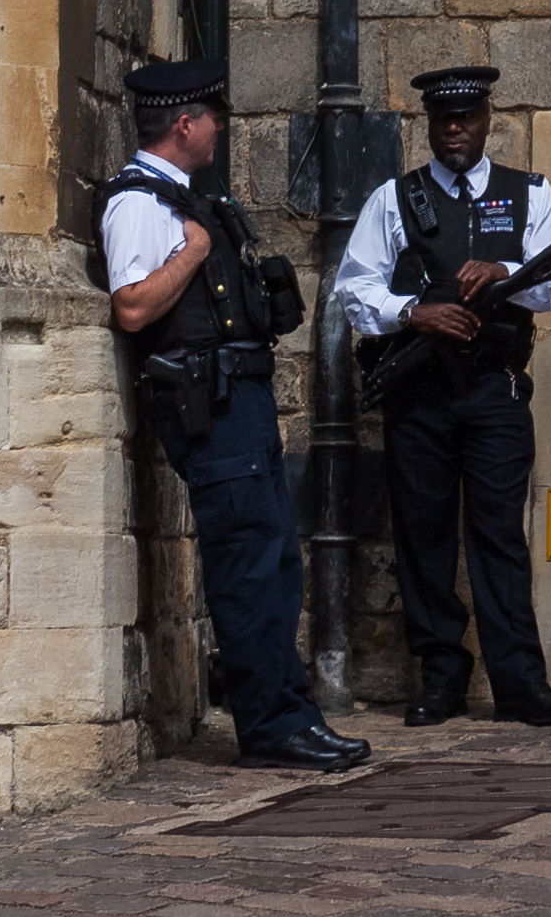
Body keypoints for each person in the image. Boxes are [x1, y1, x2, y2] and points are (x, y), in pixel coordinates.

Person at [102, 49, 361, 775]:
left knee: (274, 561)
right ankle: (273, 723)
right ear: (183, 121)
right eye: (213, 116)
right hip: (207, 406)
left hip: (236, 401)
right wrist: (194, 252)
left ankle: (289, 711)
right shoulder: (139, 203)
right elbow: (132, 305)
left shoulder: (188, 196)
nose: (219, 129)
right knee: (249, 566)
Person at [328, 54, 551, 727]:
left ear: (487, 119)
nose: (454, 129)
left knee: (499, 534)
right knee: (424, 536)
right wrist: (414, 311)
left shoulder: (528, 193)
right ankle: (439, 675)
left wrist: (507, 269)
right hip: (421, 390)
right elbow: (354, 290)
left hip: (494, 387)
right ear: (429, 123)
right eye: (443, 118)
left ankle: (519, 682)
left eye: (466, 116)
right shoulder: (396, 198)